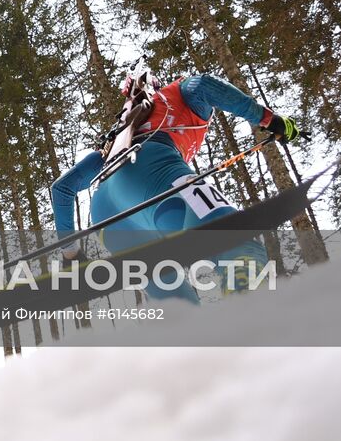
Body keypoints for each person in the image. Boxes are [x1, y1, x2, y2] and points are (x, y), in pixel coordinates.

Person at [50, 70, 303, 302]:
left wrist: (71, 254)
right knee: (235, 243)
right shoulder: (173, 93)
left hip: (105, 213)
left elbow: (62, 189)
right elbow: (203, 85)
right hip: (151, 168)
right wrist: (270, 119)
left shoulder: (113, 141)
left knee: (179, 305)